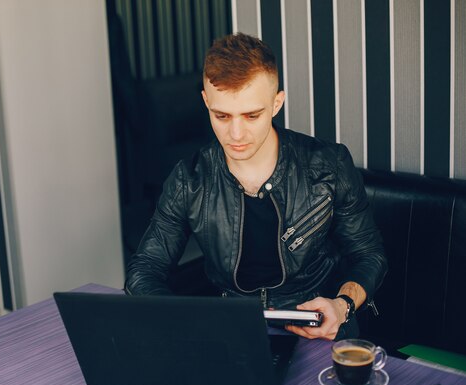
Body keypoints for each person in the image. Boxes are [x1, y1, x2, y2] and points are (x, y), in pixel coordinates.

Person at [125, 33, 387, 341]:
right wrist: (190, 324)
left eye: (252, 115)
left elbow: (370, 255)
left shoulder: (329, 166)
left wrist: (341, 305)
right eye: (221, 115)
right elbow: (144, 269)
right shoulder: (189, 180)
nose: (236, 133)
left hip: (319, 329)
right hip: (232, 331)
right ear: (206, 101)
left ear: (277, 103)